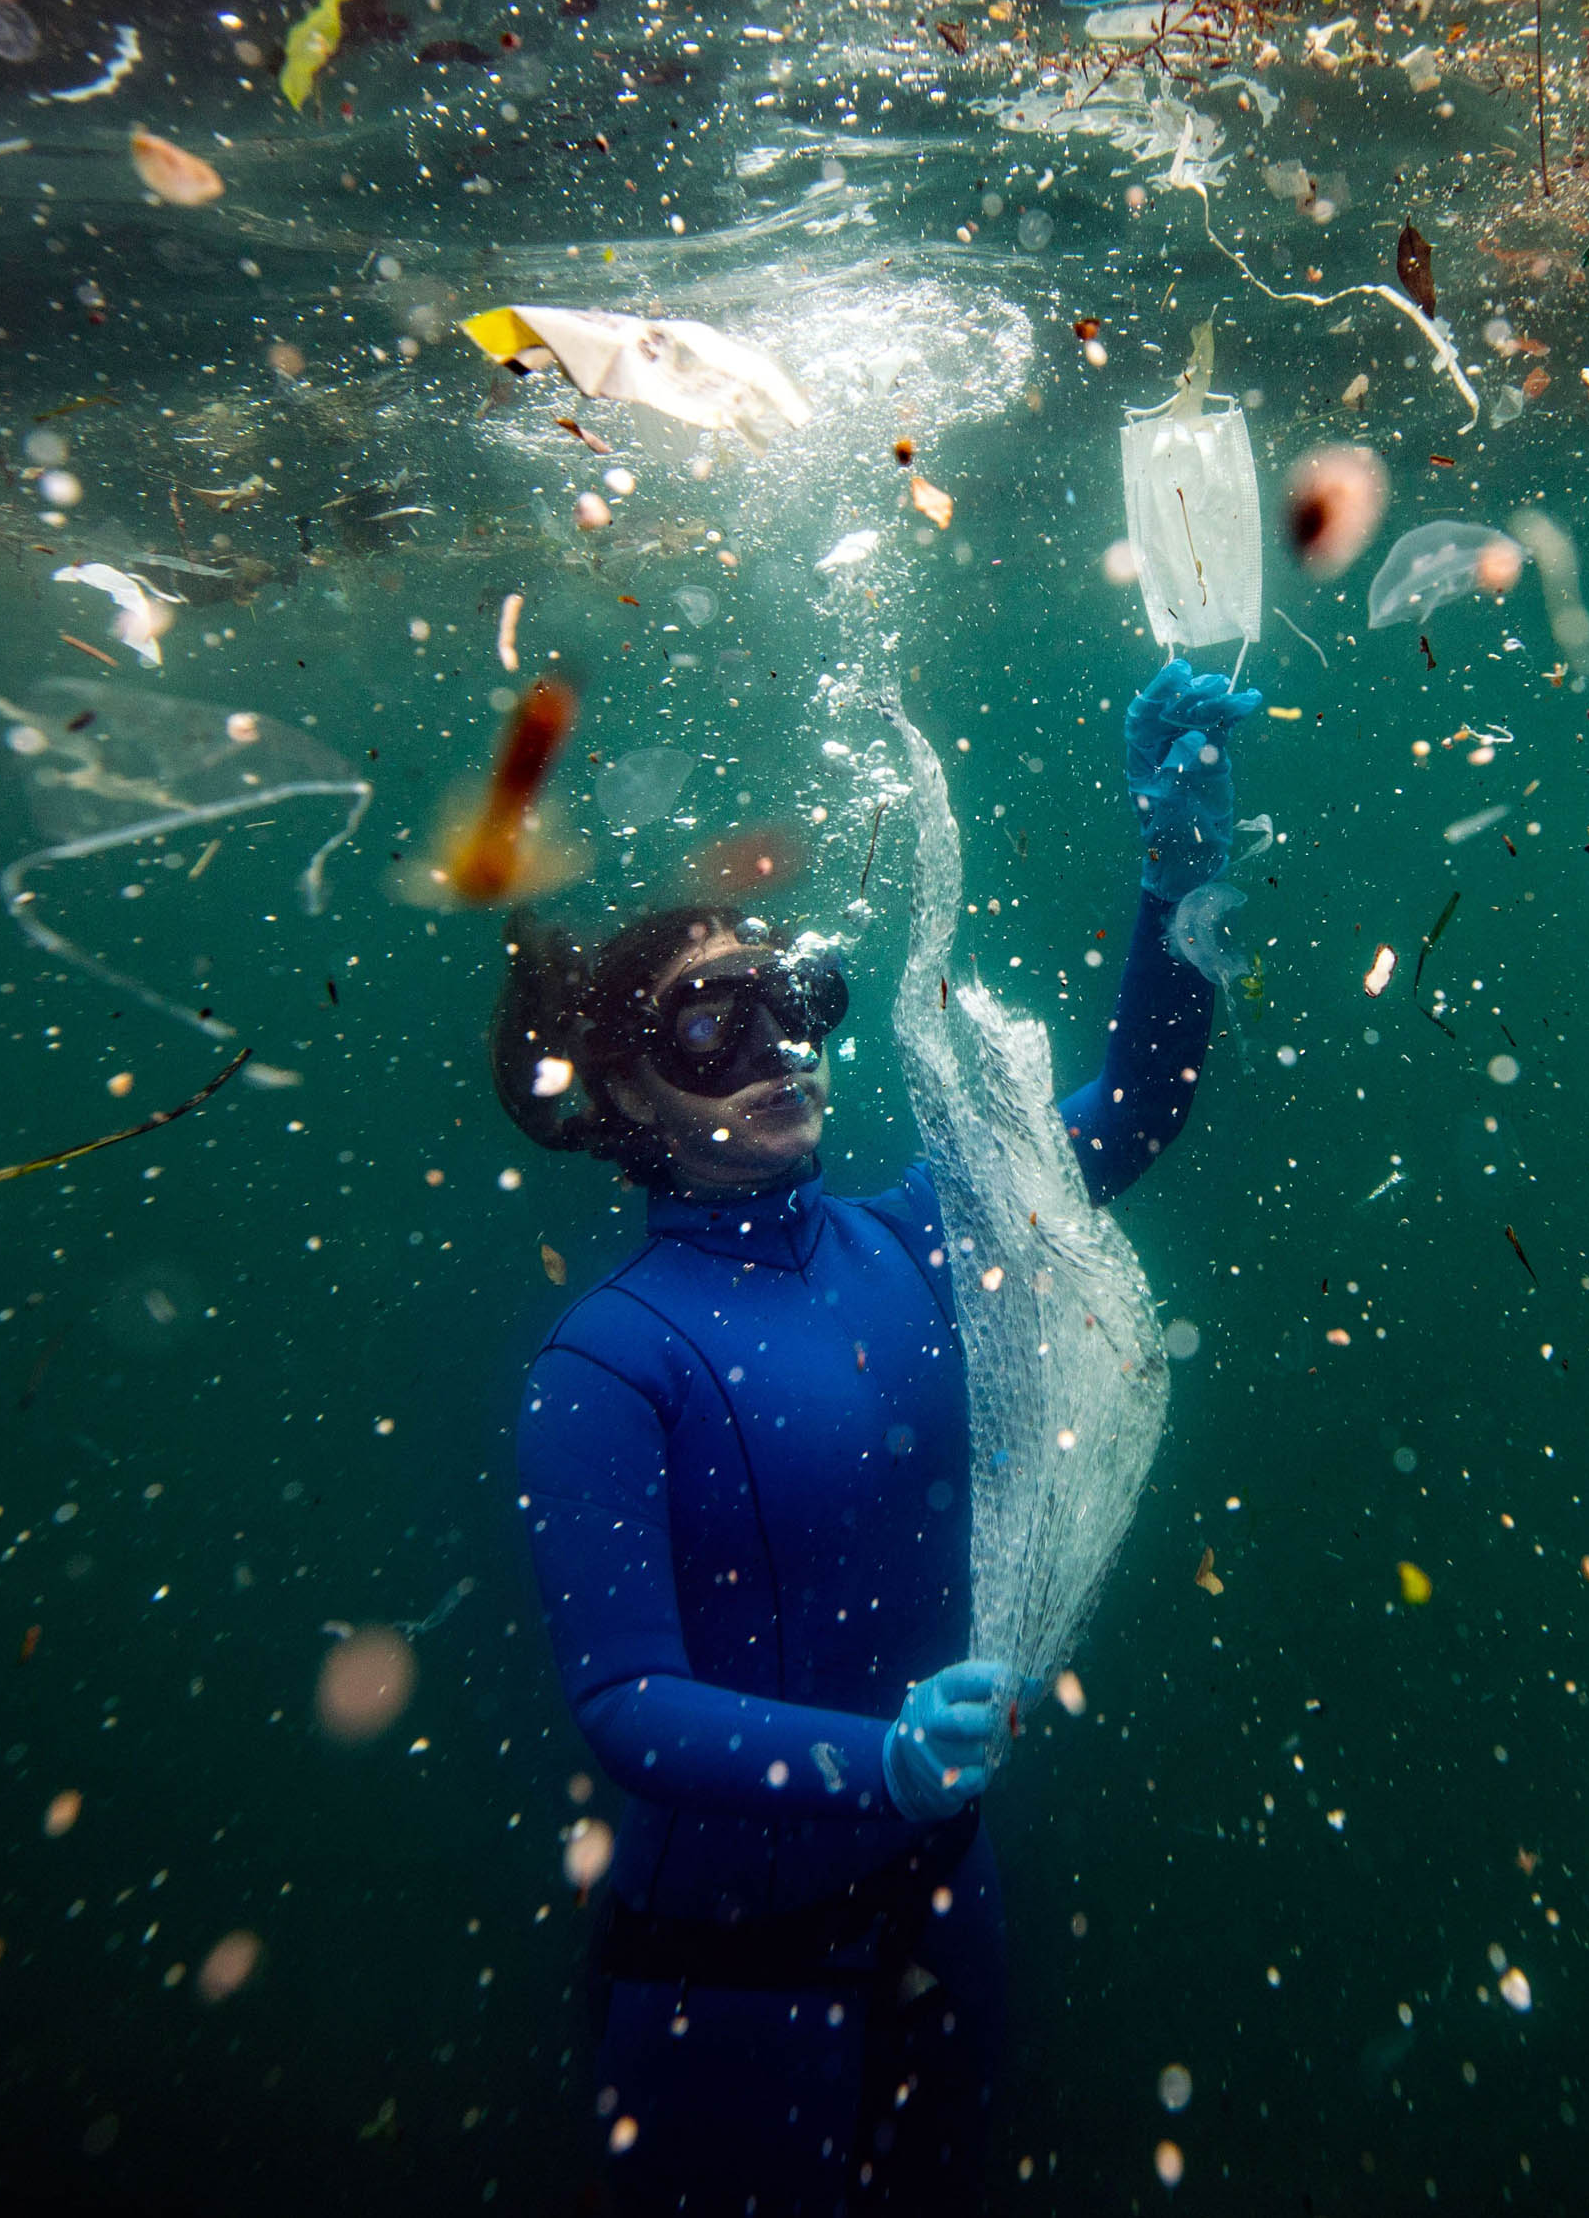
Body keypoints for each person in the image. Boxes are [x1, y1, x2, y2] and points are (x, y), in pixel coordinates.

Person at [494, 659, 1262, 2214]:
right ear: (622, 1089)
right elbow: (627, 1702)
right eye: (710, 1024)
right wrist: (884, 1766)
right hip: (727, 1991)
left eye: (798, 1001)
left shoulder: (914, 1239)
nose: (778, 1044)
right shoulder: (605, 1366)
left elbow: (1136, 1111)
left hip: (939, 1922)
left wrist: (1177, 881)